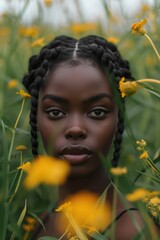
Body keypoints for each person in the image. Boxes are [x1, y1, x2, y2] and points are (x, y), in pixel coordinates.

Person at [22, 35, 142, 239]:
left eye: (97, 112)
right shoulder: (41, 223)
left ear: (118, 119)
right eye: (55, 113)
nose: (75, 129)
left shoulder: (133, 232)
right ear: (35, 118)